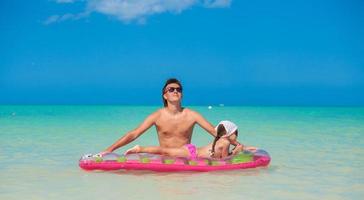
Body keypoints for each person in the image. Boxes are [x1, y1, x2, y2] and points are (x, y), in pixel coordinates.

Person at [99, 78, 244, 155]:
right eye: (171, 89)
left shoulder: (191, 114)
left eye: (178, 89)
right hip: (166, 156)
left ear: (182, 94)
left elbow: (217, 133)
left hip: (187, 155)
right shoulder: (157, 115)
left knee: (221, 144)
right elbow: (134, 133)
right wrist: (109, 150)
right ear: (165, 95)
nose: (175, 91)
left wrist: (240, 145)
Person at [125, 121, 256, 159]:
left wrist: (243, 147)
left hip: (191, 149)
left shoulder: (221, 140)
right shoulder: (226, 142)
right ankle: (140, 149)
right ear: (229, 134)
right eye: (235, 134)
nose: (236, 137)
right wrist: (236, 153)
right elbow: (224, 160)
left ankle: (141, 150)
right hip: (192, 153)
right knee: (166, 151)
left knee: (167, 152)